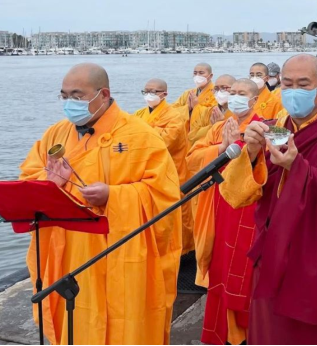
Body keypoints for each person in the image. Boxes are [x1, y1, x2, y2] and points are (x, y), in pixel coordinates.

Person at [219, 54, 317, 344]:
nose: (293, 91)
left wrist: (298, 167)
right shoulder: (274, 131)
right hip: (275, 250)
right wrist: (252, 154)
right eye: (287, 84)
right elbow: (238, 196)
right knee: (273, 333)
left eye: (303, 84)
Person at [20, 63, 182, 344]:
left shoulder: (141, 137)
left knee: (125, 326)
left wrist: (114, 196)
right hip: (70, 252)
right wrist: (49, 182)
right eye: (64, 95)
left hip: (121, 253)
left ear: (103, 94)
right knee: (76, 323)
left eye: (77, 95)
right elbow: (29, 176)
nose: (70, 103)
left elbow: (166, 198)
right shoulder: (57, 134)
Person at [186, 78, 262, 345]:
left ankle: (248, 332)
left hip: (247, 211)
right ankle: (227, 335)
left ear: (254, 100)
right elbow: (192, 158)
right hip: (219, 207)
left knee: (244, 270)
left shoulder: (261, 127)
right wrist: (221, 148)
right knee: (222, 267)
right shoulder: (219, 128)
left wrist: (242, 147)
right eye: (233, 93)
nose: (236, 97)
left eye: (243, 93)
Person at [134, 78, 194, 255]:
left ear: (164, 94)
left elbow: (164, 142)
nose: (149, 95)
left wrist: (142, 139)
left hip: (173, 170)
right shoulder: (139, 114)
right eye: (146, 91)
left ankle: (185, 250)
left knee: (179, 212)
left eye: (153, 91)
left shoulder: (174, 116)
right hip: (148, 171)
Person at [171, 62, 217, 144]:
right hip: (186, 133)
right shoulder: (188, 93)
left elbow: (215, 113)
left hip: (203, 134)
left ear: (210, 76)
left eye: (201, 73)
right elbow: (171, 111)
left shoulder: (216, 93)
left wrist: (197, 106)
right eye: (195, 73)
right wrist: (187, 108)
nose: (197, 76)